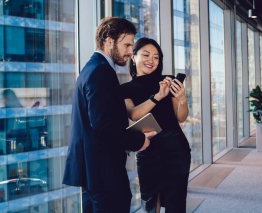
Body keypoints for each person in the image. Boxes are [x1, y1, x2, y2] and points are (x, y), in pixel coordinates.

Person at [63, 17, 154, 213]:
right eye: (127, 44)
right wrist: (139, 140)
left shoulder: (91, 68)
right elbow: (103, 123)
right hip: (103, 170)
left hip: (93, 170)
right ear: (108, 40)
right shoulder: (101, 72)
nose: (131, 52)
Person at [120, 37, 191, 213]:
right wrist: (158, 96)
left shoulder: (168, 80)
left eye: (156, 57)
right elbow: (134, 114)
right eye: (146, 55)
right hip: (147, 149)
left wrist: (182, 99)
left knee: (176, 202)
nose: (151, 60)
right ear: (133, 57)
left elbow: (181, 117)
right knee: (150, 201)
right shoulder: (125, 88)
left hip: (176, 148)